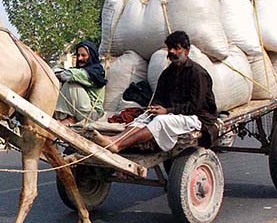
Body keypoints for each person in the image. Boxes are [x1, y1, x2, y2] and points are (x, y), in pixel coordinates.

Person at [90, 31, 218, 153]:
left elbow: (195, 107)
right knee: (143, 117)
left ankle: (118, 145)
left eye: (177, 48)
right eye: (170, 48)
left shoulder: (197, 74)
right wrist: (155, 109)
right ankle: (114, 140)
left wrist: (167, 111)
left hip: (198, 118)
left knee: (160, 121)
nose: (172, 52)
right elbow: (159, 96)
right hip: (175, 114)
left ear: (187, 50)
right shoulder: (167, 73)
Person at [54, 40, 107, 126]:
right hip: (82, 111)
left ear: (91, 56)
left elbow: (68, 75)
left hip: (91, 115)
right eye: (78, 55)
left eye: (83, 55)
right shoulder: (80, 70)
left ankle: (70, 119)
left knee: (71, 84)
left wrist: (56, 75)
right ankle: (70, 117)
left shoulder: (95, 72)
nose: (80, 58)